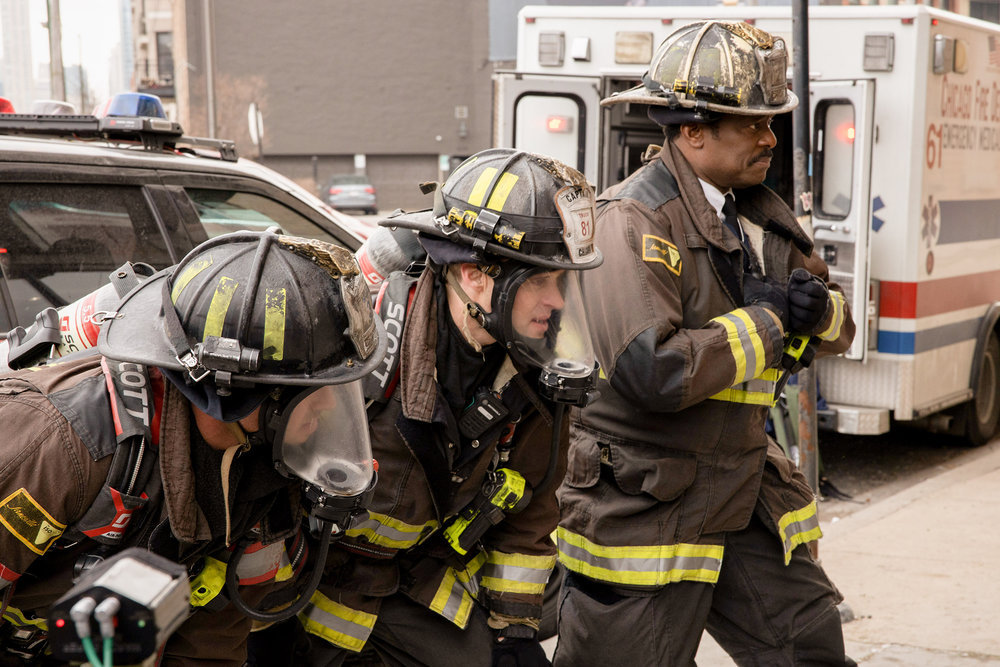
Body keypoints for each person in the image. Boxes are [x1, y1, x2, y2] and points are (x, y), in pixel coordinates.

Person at [552, 21, 857, 667]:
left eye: (772, 121)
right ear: (691, 130)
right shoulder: (629, 222)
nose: (770, 137)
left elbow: (834, 331)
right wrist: (773, 324)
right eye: (752, 123)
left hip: (740, 482)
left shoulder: (759, 218)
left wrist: (817, 312)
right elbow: (652, 371)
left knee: (808, 647)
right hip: (648, 499)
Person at [251, 148, 602, 667]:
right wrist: (263, 623)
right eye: (541, 280)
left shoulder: (533, 374)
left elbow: (527, 516)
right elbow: (262, 494)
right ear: (476, 275)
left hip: (411, 582)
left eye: (564, 281)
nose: (558, 302)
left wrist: (514, 634)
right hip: (309, 587)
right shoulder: (360, 354)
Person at [0, 229, 387, 666]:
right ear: (243, 395)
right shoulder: (60, 444)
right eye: (314, 391)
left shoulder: (254, 468)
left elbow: (213, 631)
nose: (332, 407)